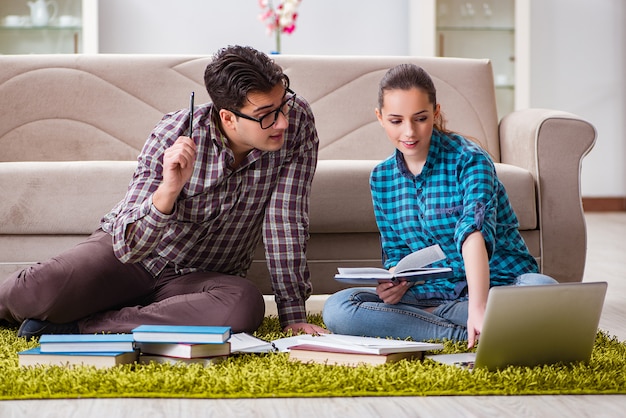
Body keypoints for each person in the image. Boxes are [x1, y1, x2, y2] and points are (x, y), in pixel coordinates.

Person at [0, 45, 326, 339]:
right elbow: (128, 246)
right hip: (132, 259)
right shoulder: (174, 132)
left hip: (201, 278)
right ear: (227, 116)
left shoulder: (297, 124)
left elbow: (285, 218)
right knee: (37, 291)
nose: (282, 121)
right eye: (266, 115)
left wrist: (292, 313)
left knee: (243, 306)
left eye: (283, 104)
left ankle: (80, 326)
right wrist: (169, 189)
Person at [322, 64, 557, 348]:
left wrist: (478, 307)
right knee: (339, 307)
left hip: (498, 287)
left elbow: (473, 235)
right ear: (380, 118)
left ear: (435, 112)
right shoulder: (381, 178)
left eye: (420, 118)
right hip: (433, 295)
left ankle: (467, 321)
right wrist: (397, 285)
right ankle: (468, 334)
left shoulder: (470, 160)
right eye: (396, 121)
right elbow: (397, 254)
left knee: (542, 290)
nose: (409, 132)